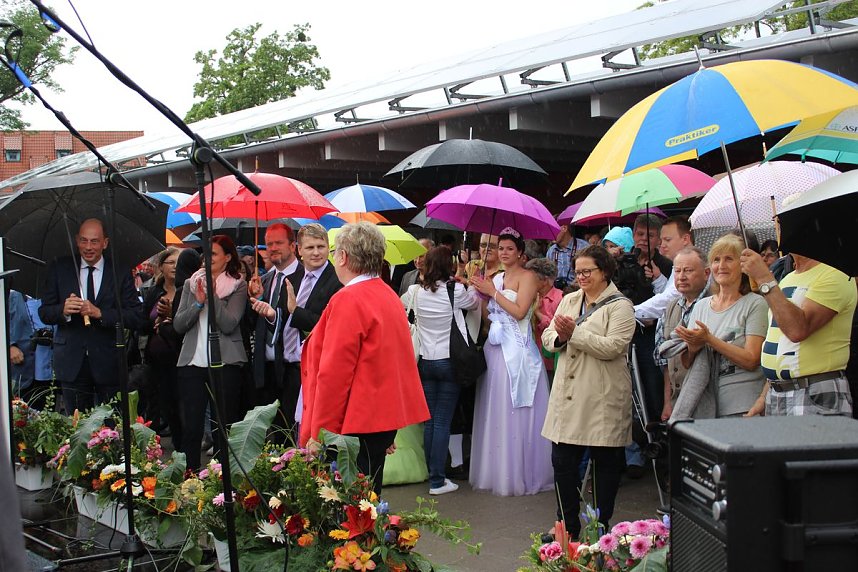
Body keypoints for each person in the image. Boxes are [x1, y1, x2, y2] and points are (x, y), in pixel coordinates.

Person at [300, 222, 430, 495]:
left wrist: (319, 434)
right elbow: (393, 364)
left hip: (350, 426)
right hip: (376, 421)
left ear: (344, 257)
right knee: (368, 505)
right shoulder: (388, 295)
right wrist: (387, 427)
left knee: (348, 511)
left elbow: (334, 375)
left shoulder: (349, 299)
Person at [542, 244, 636, 538]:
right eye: (578, 271)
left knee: (604, 467)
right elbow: (548, 336)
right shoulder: (570, 300)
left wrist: (575, 334)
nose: (581, 276)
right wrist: (559, 337)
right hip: (567, 397)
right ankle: (566, 527)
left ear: (605, 271)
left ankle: (600, 528)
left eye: (587, 271)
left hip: (601, 398)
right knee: (562, 465)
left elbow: (613, 347)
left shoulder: (621, 306)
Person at [468, 227, 553, 496]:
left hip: (517, 350)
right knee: (495, 408)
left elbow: (519, 312)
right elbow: (489, 316)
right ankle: (496, 469)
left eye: (508, 249)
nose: (503, 253)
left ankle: (521, 472)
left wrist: (493, 293)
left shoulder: (528, 277)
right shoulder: (498, 277)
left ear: (520, 253)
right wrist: (481, 295)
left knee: (516, 409)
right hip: (495, 349)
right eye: (499, 248)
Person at [39, 218, 145, 414]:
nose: (88, 247)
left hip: (109, 361)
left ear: (105, 243)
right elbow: (44, 312)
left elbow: (136, 316)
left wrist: (101, 313)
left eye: (94, 241)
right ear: (77, 241)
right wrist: (63, 310)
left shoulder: (119, 271)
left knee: (113, 426)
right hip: (72, 362)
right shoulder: (60, 268)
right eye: (84, 241)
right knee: (78, 426)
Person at [400, 247, 481, 494]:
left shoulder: (414, 291)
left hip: (424, 362)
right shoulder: (455, 291)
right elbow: (476, 303)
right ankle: (437, 480)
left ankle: (432, 474)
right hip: (449, 361)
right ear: (449, 265)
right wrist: (465, 278)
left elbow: (402, 308)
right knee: (443, 421)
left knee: (431, 421)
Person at [741, 246, 857, 417]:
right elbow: (780, 342)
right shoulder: (788, 278)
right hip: (779, 393)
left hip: (813, 392)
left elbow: (797, 330)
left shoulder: (836, 276)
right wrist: (764, 395)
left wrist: (764, 278)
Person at [670, 234, 768, 419]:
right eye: (716, 259)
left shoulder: (756, 304)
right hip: (705, 406)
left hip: (743, 405)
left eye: (729, 259)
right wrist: (693, 346)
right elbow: (687, 363)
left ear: (743, 265)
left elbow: (751, 359)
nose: (721, 266)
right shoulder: (700, 306)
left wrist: (709, 339)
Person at [174, 235, 248, 472]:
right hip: (192, 362)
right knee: (192, 425)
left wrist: (213, 297)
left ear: (227, 258)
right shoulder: (190, 283)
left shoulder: (238, 285)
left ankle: (221, 478)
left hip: (225, 363)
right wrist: (197, 303)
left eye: (213, 254)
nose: (207, 259)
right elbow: (178, 325)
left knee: (222, 426)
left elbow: (229, 324)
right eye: (204, 254)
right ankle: (191, 475)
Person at [278, 223, 342, 438]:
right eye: (310, 248)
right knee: (284, 432)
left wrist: (296, 312)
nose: (316, 252)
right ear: (299, 250)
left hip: (315, 368)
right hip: (286, 366)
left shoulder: (337, 281)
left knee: (311, 434)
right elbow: (283, 319)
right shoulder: (292, 279)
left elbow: (330, 326)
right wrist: (270, 313)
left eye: (321, 246)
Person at [247, 223, 301, 420]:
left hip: (292, 369)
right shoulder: (265, 279)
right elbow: (252, 324)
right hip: (265, 370)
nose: (273, 248)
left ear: (293, 246)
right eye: (269, 244)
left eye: (279, 242)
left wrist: (273, 314)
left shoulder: (305, 277)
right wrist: (256, 299)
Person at [654, 247, 711, 421]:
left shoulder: (714, 303)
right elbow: (665, 362)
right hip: (677, 400)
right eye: (677, 271)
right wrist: (667, 402)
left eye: (688, 270)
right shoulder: (671, 307)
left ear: (706, 273)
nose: (681, 277)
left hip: (706, 398)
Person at [142, 247, 182, 437]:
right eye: (171, 262)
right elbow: (142, 323)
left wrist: (171, 316)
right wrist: (156, 321)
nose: (175, 266)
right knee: (156, 404)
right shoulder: (153, 292)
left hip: (180, 357)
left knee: (178, 407)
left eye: (178, 262)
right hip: (155, 359)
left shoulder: (187, 290)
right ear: (161, 266)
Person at [525, 258, 562, 378]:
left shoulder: (560, 298)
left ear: (545, 280)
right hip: (529, 359)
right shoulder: (527, 295)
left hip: (549, 360)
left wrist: (537, 313)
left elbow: (557, 328)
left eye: (532, 278)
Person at [546, 224, 589, 290]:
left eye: (552, 230)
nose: (550, 234)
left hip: (580, 289)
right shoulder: (551, 250)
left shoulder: (583, 247)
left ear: (564, 228)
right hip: (557, 293)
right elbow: (548, 274)